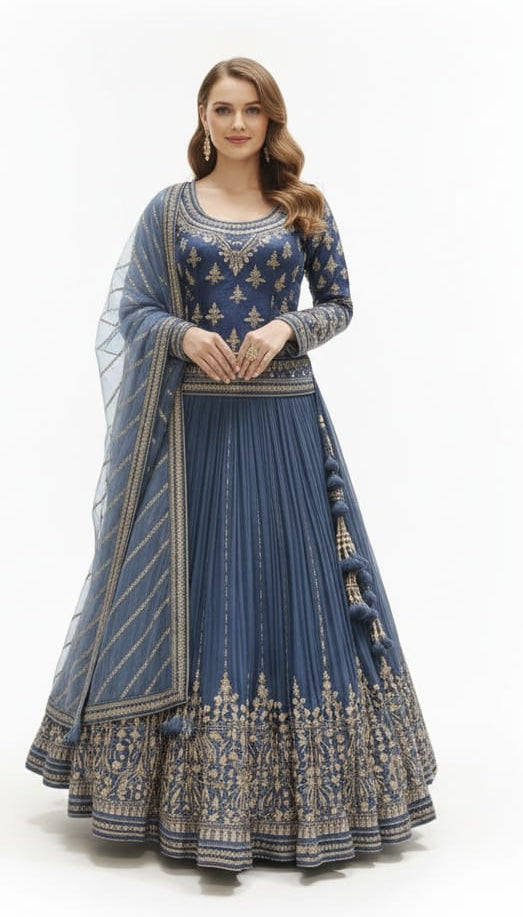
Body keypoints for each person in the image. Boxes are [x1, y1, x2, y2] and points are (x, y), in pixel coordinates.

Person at [25, 56, 437, 873]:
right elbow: (133, 310)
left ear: (270, 118)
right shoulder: (168, 210)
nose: (239, 123)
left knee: (294, 584)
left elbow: (339, 303)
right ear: (203, 118)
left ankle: (316, 799)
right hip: (194, 430)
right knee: (196, 584)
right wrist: (182, 335)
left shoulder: (302, 207)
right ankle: (164, 794)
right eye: (223, 108)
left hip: (283, 424)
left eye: (252, 109)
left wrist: (287, 328)